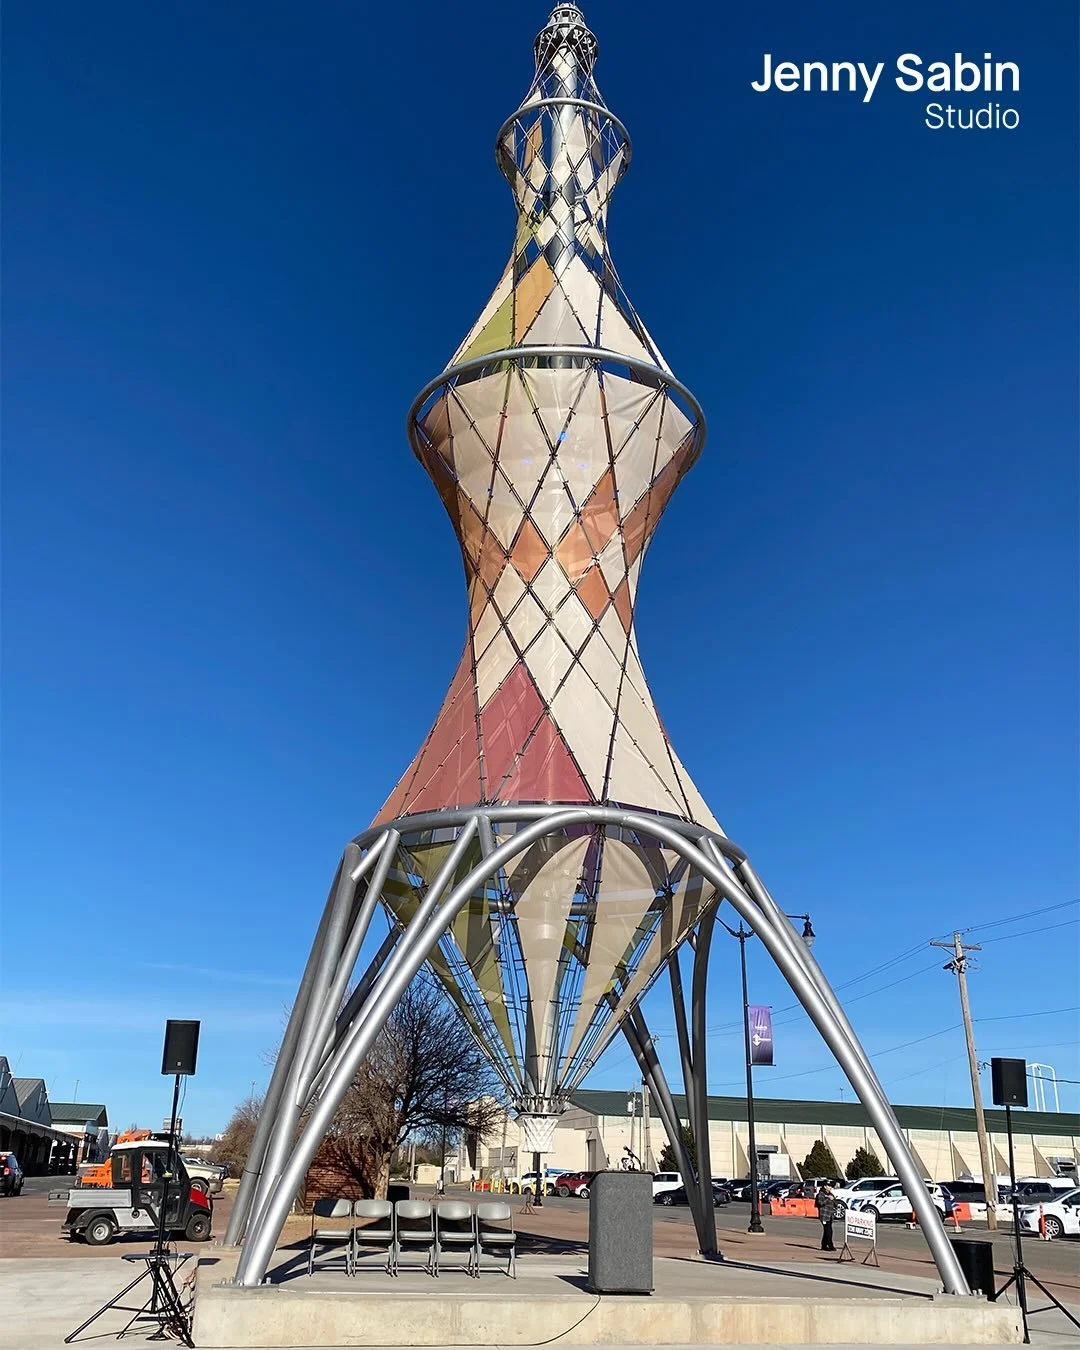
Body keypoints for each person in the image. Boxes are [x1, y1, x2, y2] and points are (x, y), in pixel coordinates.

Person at [815, 1182, 837, 1251]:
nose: (830, 1187)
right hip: (824, 1215)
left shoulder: (831, 1194)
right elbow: (820, 1203)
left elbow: (835, 1203)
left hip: (830, 1215)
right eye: (829, 1186)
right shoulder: (821, 1194)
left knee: (827, 1231)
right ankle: (830, 1245)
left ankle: (824, 1245)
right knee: (828, 1231)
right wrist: (828, 1199)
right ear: (825, 1186)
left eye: (831, 1186)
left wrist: (833, 1199)